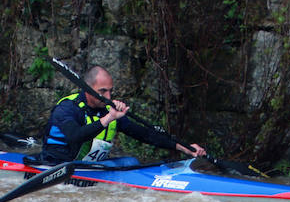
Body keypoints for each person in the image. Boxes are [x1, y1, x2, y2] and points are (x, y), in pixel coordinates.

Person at [38, 66, 208, 165]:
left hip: (91, 168)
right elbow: (75, 136)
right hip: (56, 165)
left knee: (132, 162)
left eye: (110, 91)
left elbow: (145, 135)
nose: (108, 97)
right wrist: (109, 118)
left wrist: (182, 147)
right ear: (87, 89)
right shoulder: (67, 109)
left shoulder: (107, 110)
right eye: (102, 91)